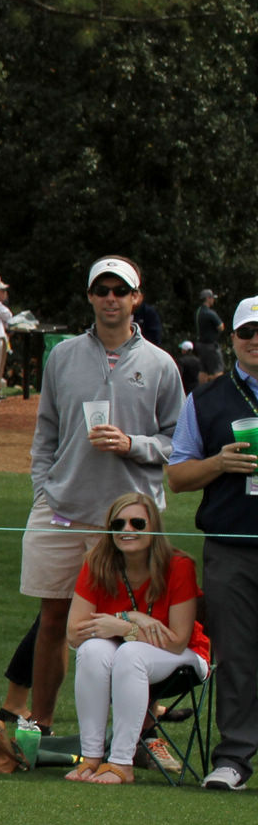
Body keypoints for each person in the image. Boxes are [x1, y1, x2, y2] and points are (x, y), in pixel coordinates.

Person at [14, 255, 183, 732]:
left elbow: (178, 442)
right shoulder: (63, 356)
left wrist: (134, 445)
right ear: (90, 296)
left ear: (136, 298)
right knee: (52, 621)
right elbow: (45, 431)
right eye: (102, 290)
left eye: (120, 290)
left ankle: (139, 735)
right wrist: (42, 489)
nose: (111, 298)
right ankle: (40, 727)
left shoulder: (161, 365)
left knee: (136, 625)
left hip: (130, 519)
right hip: (61, 509)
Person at [165, 295, 258, 791]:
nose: (256, 340)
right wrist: (219, 464)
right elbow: (177, 476)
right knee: (237, 654)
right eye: (248, 332)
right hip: (232, 545)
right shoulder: (205, 399)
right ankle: (235, 758)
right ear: (233, 339)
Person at [62, 493, 209, 784]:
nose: (127, 530)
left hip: (186, 658)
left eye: (137, 523)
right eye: (118, 524)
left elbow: (178, 640)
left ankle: (121, 763)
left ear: (153, 527)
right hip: (127, 653)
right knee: (92, 650)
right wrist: (132, 618)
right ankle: (91, 758)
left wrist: (120, 626)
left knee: (131, 654)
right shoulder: (96, 562)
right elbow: (74, 632)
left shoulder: (179, 565)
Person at [196, 288, 224, 377]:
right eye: (212, 298)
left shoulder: (198, 312)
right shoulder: (209, 313)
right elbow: (221, 327)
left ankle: (201, 390)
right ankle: (219, 390)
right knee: (218, 369)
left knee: (203, 370)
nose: (213, 300)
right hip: (210, 346)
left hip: (200, 345)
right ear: (208, 298)